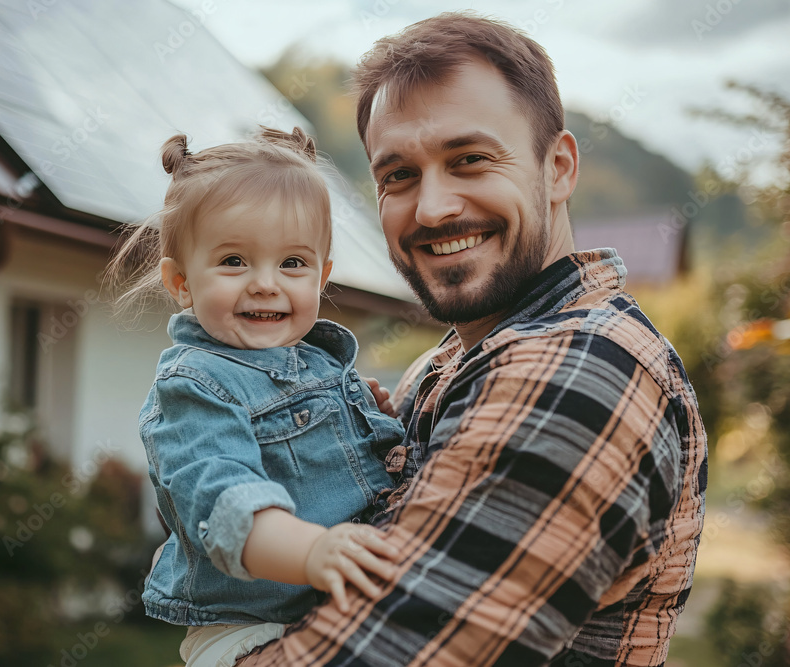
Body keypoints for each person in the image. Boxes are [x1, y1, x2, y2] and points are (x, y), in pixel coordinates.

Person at [237, 12, 707, 667]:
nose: (432, 208)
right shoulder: (447, 364)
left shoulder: (581, 369)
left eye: (470, 160)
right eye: (398, 175)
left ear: (559, 168)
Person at [105, 126, 408, 667]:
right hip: (248, 631)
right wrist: (312, 551)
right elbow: (226, 503)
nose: (266, 283)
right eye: (233, 261)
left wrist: (368, 419)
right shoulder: (195, 388)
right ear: (180, 283)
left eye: (293, 263)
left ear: (322, 276)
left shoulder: (317, 361)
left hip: (322, 603)